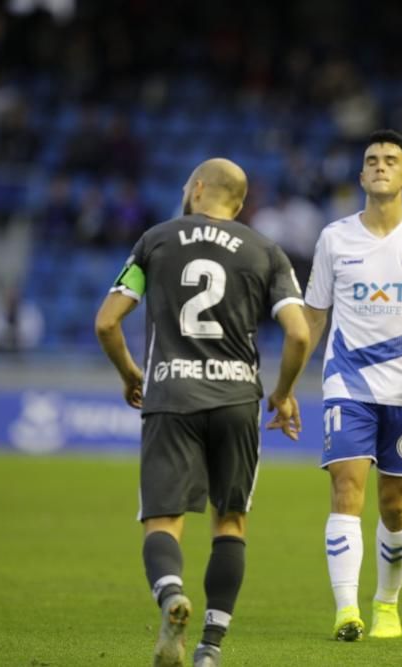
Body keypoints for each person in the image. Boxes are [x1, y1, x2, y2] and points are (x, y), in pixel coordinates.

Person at [94, 158, 310, 667]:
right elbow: (299, 334)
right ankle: (210, 650)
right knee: (230, 523)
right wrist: (282, 393)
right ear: (240, 203)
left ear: (195, 189)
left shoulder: (156, 240)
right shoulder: (266, 251)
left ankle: (171, 596)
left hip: (171, 397)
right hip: (238, 401)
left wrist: (130, 374)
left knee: (163, 521)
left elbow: (107, 324)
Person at [301, 129, 402, 641]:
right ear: (360, 175)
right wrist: (286, 382)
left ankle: (386, 603)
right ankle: (346, 611)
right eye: (371, 160)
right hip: (347, 384)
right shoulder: (334, 238)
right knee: (347, 488)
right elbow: (314, 317)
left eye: (391, 160)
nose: (380, 166)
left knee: (395, 504)